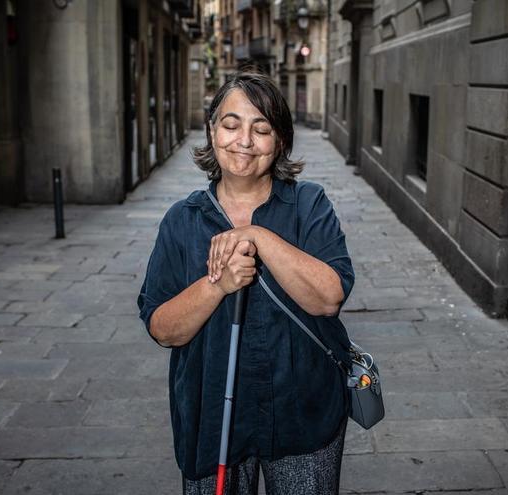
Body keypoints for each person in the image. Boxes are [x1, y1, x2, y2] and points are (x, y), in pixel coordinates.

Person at [138, 71, 355, 495]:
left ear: (280, 141)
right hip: (211, 418)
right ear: (212, 130)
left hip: (302, 416)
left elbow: (329, 298)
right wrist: (216, 285)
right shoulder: (182, 221)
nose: (244, 141)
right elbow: (163, 329)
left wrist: (258, 237)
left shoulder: (308, 204)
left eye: (262, 128)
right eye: (231, 124)